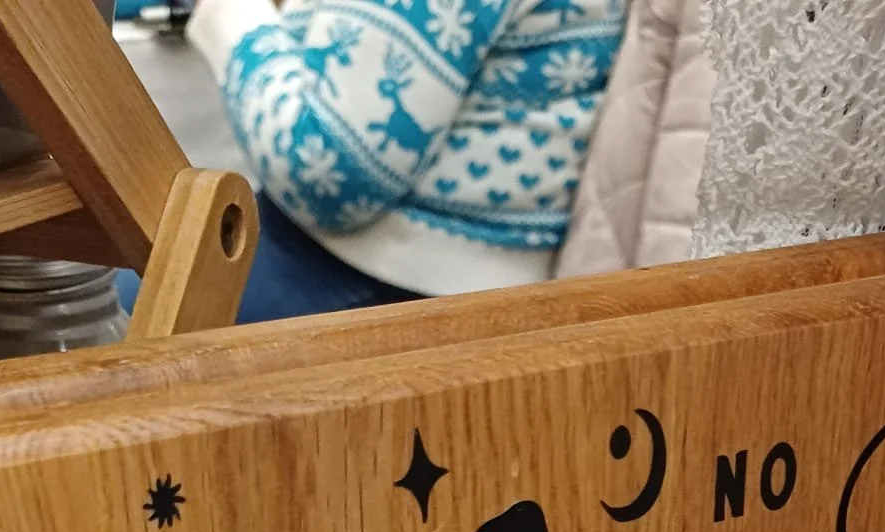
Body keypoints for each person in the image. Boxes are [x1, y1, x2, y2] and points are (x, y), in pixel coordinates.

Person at [185, 0, 623, 318]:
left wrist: (232, 18)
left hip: (373, 276)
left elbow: (330, 170)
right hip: (472, 274)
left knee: (127, 339)